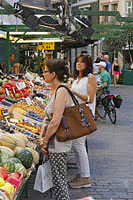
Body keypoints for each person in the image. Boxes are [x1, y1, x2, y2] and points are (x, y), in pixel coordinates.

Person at [40, 59, 72, 200]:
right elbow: (47, 118)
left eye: (45, 71)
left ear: (53, 74)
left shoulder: (62, 91)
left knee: (59, 181)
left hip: (58, 142)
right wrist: (42, 138)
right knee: (57, 179)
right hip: (53, 141)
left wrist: (45, 140)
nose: (43, 74)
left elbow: (55, 121)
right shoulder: (55, 91)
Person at [68, 55, 97, 189]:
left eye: (82, 62)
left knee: (79, 145)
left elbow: (90, 99)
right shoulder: (77, 78)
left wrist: (73, 91)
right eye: (77, 62)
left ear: (87, 65)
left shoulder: (90, 78)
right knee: (76, 146)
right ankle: (81, 174)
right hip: (75, 114)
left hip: (83, 115)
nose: (79, 64)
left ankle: (86, 178)